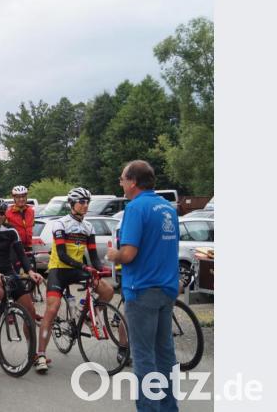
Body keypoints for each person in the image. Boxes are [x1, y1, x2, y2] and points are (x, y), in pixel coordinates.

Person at [106, 160, 179, 412]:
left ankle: (149, 408)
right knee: (165, 354)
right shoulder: (167, 208)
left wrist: (113, 255)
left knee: (144, 356)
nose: (121, 183)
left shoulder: (136, 208)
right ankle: (169, 407)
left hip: (142, 288)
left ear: (133, 181)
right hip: (167, 289)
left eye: (123, 178)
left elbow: (128, 254)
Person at [35, 187, 113, 373]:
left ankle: (87, 314)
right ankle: (40, 354)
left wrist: (103, 268)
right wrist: (85, 267)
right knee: (52, 309)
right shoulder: (60, 224)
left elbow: (93, 257)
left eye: (87, 202)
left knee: (107, 291)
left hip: (77, 269)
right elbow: (61, 255)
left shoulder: (88, 226)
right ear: (72, 204)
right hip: (59, 270)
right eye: (81, 202)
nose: (85, 206)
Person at [0, 197, 43, 338]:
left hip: (7, 270)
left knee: (30, 310)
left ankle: (32, 353)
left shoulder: (11, 230)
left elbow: (21, 254)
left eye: (1, 213)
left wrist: (30, 271)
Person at [6, 185, 35, 270]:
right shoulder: (8, 213)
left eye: (23, 196)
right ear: (14, 198)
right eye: (18, 197)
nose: (21, 199)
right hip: (14, 247)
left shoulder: (31, 211)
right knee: (16, 272)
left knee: (32, 271)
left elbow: (31, 226)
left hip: (28, 246)